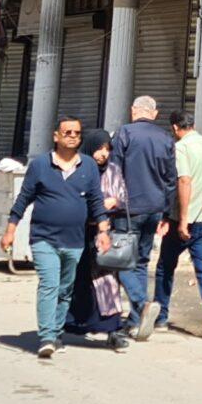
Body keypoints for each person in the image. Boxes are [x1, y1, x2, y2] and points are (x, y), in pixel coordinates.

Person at [1, 116, 110, 362]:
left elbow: (96, 202)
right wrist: (10, 231)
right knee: (49, 284)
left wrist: (103, 231)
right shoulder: (40, 165)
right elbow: (23, 199)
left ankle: (57, 330)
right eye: (67, 132)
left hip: (75, 240)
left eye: (76, 133)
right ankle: (47, 336)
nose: (72, 136)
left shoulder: (89, 167)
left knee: (65, 289)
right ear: (56, 136)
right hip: (43, 238)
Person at [155, 109, 202, 340]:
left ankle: (161, 317)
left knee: (165, 267)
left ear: (175, 128)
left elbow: (184, 181)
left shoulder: (181, 148)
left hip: (183, 220)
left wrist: (184, 219)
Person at [109, 95, 176, 342]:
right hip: (155, 209)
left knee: (120, 261)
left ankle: (140, 303)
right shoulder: (166, 138)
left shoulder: (125, 133)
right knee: (141, 261)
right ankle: (136, 321)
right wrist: (166, 213)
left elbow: (114, 171)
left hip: (128, 209)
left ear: (133, 111)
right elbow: (171, 179)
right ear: (155, 114)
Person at [63, 128, 132, 350]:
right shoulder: (77, 168)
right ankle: (61, 326)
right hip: (77, 232)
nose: (104, 154)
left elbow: (123, 197)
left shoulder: (112, 170)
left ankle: (112, 330)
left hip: (103, 234)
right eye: (100, 148)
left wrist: (114, 202)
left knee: (107, 280)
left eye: (107, 149)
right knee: (73, 279)